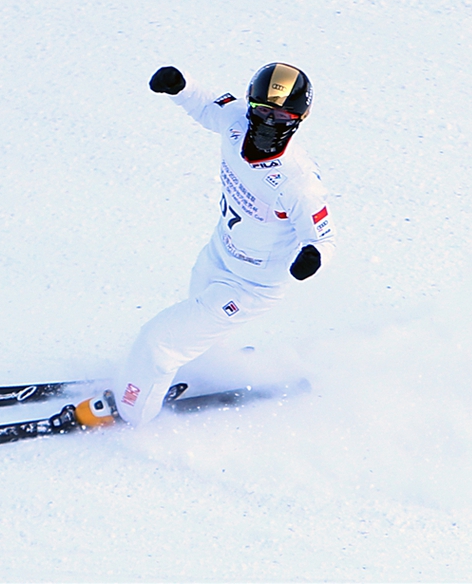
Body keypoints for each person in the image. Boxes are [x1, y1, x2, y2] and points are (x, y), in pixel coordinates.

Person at [73, 63, 335, 428]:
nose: (268, 123)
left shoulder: (297, 181)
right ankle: (209, 367)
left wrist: (312, 256)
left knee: (158, 343)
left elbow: (323, 237)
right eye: (262, 111)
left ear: (299, 119)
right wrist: (180, 86)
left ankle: (130, 410)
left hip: (250, 287)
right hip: (218, 255)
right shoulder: (237, 123)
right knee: (193, 326)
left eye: (281, 117)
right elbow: (206, 103)